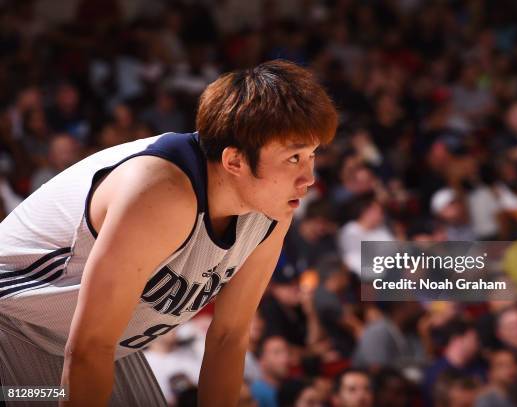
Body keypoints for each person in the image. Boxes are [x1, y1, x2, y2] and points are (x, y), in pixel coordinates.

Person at [0, 60, 337, 406]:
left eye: (312, 155)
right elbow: (88, 347)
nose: (309, 177)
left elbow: (229, 337)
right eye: (294, 158)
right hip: (14, 328)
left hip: (101, 346)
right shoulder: (160, 192)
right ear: (234, 161)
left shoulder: (272, 210)